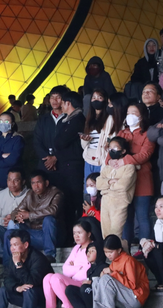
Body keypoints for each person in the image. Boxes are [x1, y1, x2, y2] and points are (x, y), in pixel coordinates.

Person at [118, 102, 155, 253]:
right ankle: (125, 249)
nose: (130, 116)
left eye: (134, 113)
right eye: (128, 113)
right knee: (126, 217)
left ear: (141, 116)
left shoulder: (148, 133)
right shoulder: (122, 134)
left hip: (143, 181)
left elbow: (145, 155)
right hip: (124, 182)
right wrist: (113, 160)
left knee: (142, 215)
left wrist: (123, 160)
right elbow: (110, 155)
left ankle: (144, 249)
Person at [4, 170, 63, 263]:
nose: (36, 186)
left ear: (46, 183)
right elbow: (15, 211)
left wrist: (29, 215)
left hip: (50, 236)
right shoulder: (30, 194)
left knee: (49, 219)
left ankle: (50, 255)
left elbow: (53, 210)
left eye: (39, 182)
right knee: (9, 233)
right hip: (34, 235)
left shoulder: (56, 193)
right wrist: (17, 216)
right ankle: (8, 265)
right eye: (33, 183)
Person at [0, 229, 54, 308]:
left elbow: (32, 282)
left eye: (15, 245)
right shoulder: (12, 258)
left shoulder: (38, 258)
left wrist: (19, 265)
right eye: (11, 245)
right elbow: (7, 278)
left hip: (42, 296)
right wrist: (16, 288)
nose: (12, 248)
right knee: (3, 291)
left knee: (28, 290)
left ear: (26, 245)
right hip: (24, 294)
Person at [54, 91, 86, 230]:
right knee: (67, 199)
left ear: (68, 103)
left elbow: (60, 141)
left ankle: (78, 230)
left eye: (62, 102)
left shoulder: (78, 119)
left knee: (75, 199)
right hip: (65, 165)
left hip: (74, 165)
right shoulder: (65, 120)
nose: (61, 105)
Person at [43, 221, 94, 308]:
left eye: (79, 233)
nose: (76, 236)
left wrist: (73, 267)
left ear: (88, 234)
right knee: (47, 277)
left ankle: (68, 305)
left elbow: (87, 270)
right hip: (73, 280)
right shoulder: (77, 248)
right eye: (74, 233)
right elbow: (65, 269)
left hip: (83, 283)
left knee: (56, 278)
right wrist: (78, 268)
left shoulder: (93, 248)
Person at [0, 168, 31, 264]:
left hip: (22, 229)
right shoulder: (1, 195)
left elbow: (32, 216)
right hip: (4, 228)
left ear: (23, 181)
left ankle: (10, 258)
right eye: (9, 180)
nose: (12, 183)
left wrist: (15, 218)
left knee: (12, 224)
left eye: (16, 180)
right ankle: (1, 254)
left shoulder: (30, 194)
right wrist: (5, 220)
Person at [96, 136, 137, 240]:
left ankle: (117, 255)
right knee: (105, 234)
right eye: (110, 148)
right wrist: (111, 181)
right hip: (105, 201)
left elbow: (123, 186)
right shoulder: (107, 167)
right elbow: (98, 184)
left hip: (120, 202)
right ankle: (109, 255)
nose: (111, 151)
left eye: (115, 148)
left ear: (123, 151)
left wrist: (106, 186)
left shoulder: (129, 167)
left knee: (115, 234)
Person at [92, 234, 149, 308]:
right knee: (96, 281)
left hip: (136, 296)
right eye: (106, 252)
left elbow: (132, 285)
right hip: (124, 297)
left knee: (106, 279)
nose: (108, 255)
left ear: (119, 250)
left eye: (110, 252)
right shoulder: (113, 262)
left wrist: (113, 273)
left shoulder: (128, 260)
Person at [81, 89, 113, 199]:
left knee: (101, 188)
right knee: (88, 188)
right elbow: (84, 145)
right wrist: (85, 139)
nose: (96, 100)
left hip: (102, 157)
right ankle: (88, 213)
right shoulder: (89, 119)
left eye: (99, 97)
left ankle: (100, 214)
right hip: (88, 157)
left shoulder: (109, 118)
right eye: (93, 97)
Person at [34, 85, 68, 175]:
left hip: (64, 163)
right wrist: (47, 158)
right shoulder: (43, 119)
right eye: (52, 97)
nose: (54, 100)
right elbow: (37, 141)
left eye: (58, 97)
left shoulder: (70, 119)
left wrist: (56, 157)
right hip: (45, 163)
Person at [64, 243, 109, 308]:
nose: (89, 253)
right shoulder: (89, 270)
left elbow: (105, 286)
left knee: (84, 288)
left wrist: (91, 283)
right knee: (69, 289)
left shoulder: (104, 267)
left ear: (99, 253)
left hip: (99, 297)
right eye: (88, 251)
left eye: (92, 251)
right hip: (89, 295)